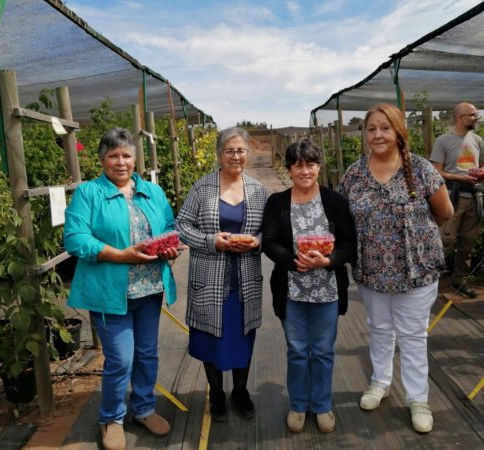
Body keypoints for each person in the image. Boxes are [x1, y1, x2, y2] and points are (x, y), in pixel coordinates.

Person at [337, 103, 453, 434]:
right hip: (372, 269)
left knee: (413, 335)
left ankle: (418, 399)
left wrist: (417, 239)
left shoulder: (420, 170)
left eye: (384, 128)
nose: (377, 134)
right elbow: (342, 216)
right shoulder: (354, 174)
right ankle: (380, 382)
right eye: (371, 128)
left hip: (415, 270)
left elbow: (444, 211)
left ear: (399, 131)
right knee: (378, 328)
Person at [64, 128, 179, 450]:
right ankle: (111, 418)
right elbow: (75, 238)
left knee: (146, 354)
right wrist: (120, 255)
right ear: (102, 159)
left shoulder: (152, 192)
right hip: (109, 293)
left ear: (135, 159)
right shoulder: (88, 194)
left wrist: (169, 246)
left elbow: (170, 226)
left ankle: (143, 408)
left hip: (149, 289)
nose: (121, 162)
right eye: (113, 155)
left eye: (126, 155)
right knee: (120, 360)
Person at [262, 139, 356, 434]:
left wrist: (328, 261)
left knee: (324, 350)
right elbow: (270, 242)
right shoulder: (278, 202)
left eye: (311, 164)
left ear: (319, 166)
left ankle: (323, 405)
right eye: (298, 164)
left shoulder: (335, 202)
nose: (305, 170)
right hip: (291, 289)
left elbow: (349, 244)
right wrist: (294, 261)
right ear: (289, 168)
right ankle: (299, 405)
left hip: (327, 289)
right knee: (298, 350)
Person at [176, 127, 267, 422]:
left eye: (241, 151)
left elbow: (272, 230)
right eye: (230, 151)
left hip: (244, 280)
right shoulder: (202, 188)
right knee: (210, 338)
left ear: (248, 155)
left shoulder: (257, 190)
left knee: (243, 336)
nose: (236, 156)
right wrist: (211, 241)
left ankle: (240, 392)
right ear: (219, 154)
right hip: (210, 278)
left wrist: (257, 242)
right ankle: (216, 393)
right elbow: (181, 226)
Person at [430, 102, 484, 298]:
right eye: (473, 115)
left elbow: (481, 165)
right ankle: (429, 281)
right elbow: (436, 172)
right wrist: (461, 177)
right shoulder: (443, 141)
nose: (476, 118)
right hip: (452, 197)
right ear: (461, 117)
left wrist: (482, 173)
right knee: (444, 240)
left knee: (468, 242)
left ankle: (459, 280)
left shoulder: (477, 140)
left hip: (475, 196)